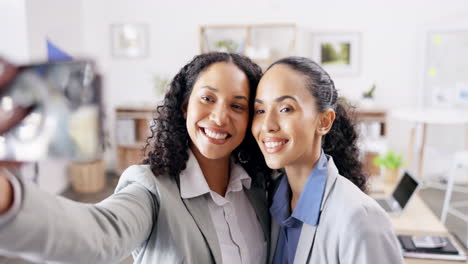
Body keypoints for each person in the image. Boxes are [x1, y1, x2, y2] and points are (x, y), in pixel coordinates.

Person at [0, 53, 271, 264]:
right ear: (186, 107)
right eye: (207, 98)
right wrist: (6, 199)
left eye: (237, 105)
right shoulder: (150, 188)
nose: (220, 117)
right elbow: (97, 237)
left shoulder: (260, 186)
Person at [251, 56, 403, 264]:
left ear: (324, 122)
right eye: (260, 110)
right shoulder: (271, 200)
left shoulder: (360, 219)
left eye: (286, 109)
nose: (267, 125)